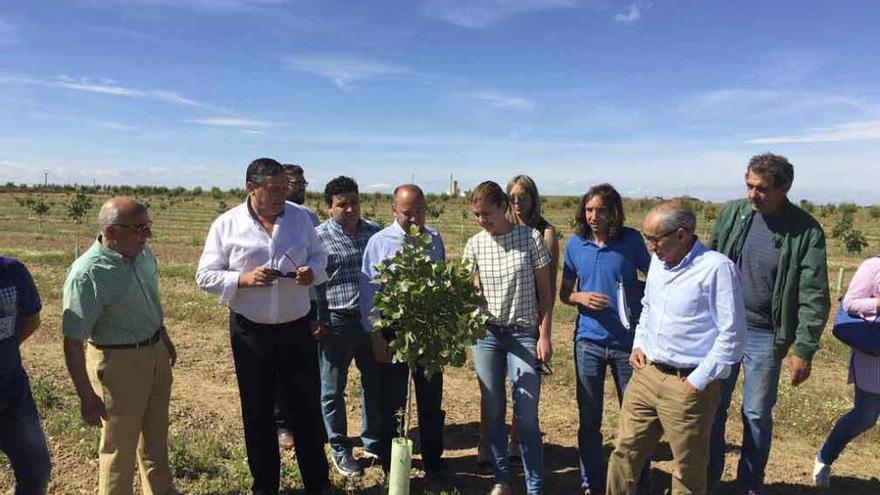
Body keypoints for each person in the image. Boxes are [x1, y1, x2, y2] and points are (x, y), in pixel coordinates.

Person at [195, 158, 330, 495]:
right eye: (272, 191)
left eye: (284, 191)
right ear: (251, 188)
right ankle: (265, 487)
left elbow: (320, 258)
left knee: (307, 410)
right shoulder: (226, 225)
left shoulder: (302, 219)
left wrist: (311, 273)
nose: (280, 197)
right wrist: (244, 278)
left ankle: (318, 485)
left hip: (296, 329)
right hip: (251, 331)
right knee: (257, 412)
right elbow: (205, 276)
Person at [708, 152, 831, 494]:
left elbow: (814, 293)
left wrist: (803, 349)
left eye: (761, 188)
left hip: (766, 334)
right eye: (749, 186)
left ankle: (749, 484)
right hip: (725, 328)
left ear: (784, 187)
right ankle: (708, 478)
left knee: (757, 414)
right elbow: (710, 262)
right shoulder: (734, 214)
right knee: (713, 407)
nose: (752, 195)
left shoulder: (806, 231)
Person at [606, 201, 746, 495]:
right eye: (646, 238)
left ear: (682, 235)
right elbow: (648, 306)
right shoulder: (659, 261)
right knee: (624, 454)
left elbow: (732, 337)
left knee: (687, 470)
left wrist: (698, 380)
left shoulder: (716, 269)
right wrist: (640, 342)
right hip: (646, 376)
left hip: (688, 385)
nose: (649, 247)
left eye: (654, 239)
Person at [62, 197, 177, 495]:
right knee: (119, 448)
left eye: (148, 227)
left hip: (154, 353)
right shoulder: (87, 274)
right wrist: (86, 396)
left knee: (156, 439)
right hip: (118, 365)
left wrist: (162, 337)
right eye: (139, 229)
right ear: (111, 231)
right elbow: (73, 342)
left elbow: (149, 300)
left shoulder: (143, 254)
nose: (147, 236)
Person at [463, 181, 554, 495]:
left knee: (526, 413)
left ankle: (535, 485)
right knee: (494, 409)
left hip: (523, 333)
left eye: (487, 213)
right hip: (487, 335)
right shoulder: (475, 243)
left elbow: (546, 292)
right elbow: (466, 289)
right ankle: (502, 479)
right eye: (476, 214)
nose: (482, 220)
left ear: (503, 207)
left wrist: (545, 335)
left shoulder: (529, 238)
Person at [559, 184, 650, 495]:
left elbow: (655, 279)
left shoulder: (632, 241)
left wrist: (633, 294)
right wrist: (580, 296)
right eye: (588, 210)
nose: (593, 216)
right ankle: (591, 484)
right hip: (589, 342)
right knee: (589, 420)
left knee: (635, 421)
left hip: (628, 345)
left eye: (600, 210)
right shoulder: (575, 245)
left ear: (614, 213)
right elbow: (564, 294)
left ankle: (635, 483)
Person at [359, 184, 447, 477]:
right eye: (408, 213)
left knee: (431, 400)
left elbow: (440, 282)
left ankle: (434, 464)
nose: (415, 219)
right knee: (393, 403)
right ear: (393, 210)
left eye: (420, 212)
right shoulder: (379, 243)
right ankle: (393, 468)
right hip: (392, 329)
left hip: (428, 330)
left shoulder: (434, 239)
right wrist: (376, 336)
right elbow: (370, 293)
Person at [314, 176, 382, 477]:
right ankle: (340, 448)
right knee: (332, 389)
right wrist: (317, 317)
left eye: (354, 202)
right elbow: (313, 284)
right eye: (342, 204)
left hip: (370, 322)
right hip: (336, 323)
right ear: (330, 207)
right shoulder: (317, 238)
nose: (351, 209)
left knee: (373, 383)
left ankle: (372, 442)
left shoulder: (374, 233)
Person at [813, 256, 880, 487]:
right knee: (866, 416)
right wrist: (878, 304)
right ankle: (825, 457)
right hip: (874, 356)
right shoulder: (874, 266)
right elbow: (850, 303)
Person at [274, 162, 320, 451]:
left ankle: (306, 423)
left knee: (305, 365)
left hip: (307, 301)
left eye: (303, 183)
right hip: (275, 304)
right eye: (296, 183)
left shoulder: (308, 216)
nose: (302, 187)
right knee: (278, 367)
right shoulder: (268, 217)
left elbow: (319, 255)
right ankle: (282, 426)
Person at [1, 257, 52, 495]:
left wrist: (7, 350)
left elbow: (31, 321)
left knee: (36, 471)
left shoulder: (13, 272)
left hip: (12, 395)